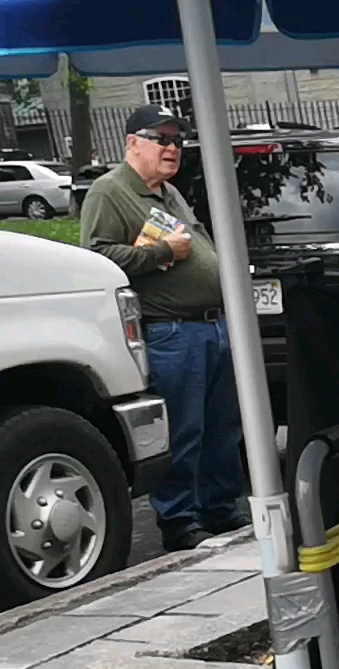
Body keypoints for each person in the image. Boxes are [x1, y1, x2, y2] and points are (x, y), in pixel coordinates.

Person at [80, 104, 244, 552]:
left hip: (212, 326)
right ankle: (180, 521)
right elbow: (97, 258)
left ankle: (219, 508)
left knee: (221, 426)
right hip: (171, 330)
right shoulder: (110, 192)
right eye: (162, 138)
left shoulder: (168, 192)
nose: (174, 147)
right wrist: (161, 253)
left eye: (178, 139)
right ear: (133, 142)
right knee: (185, 428)